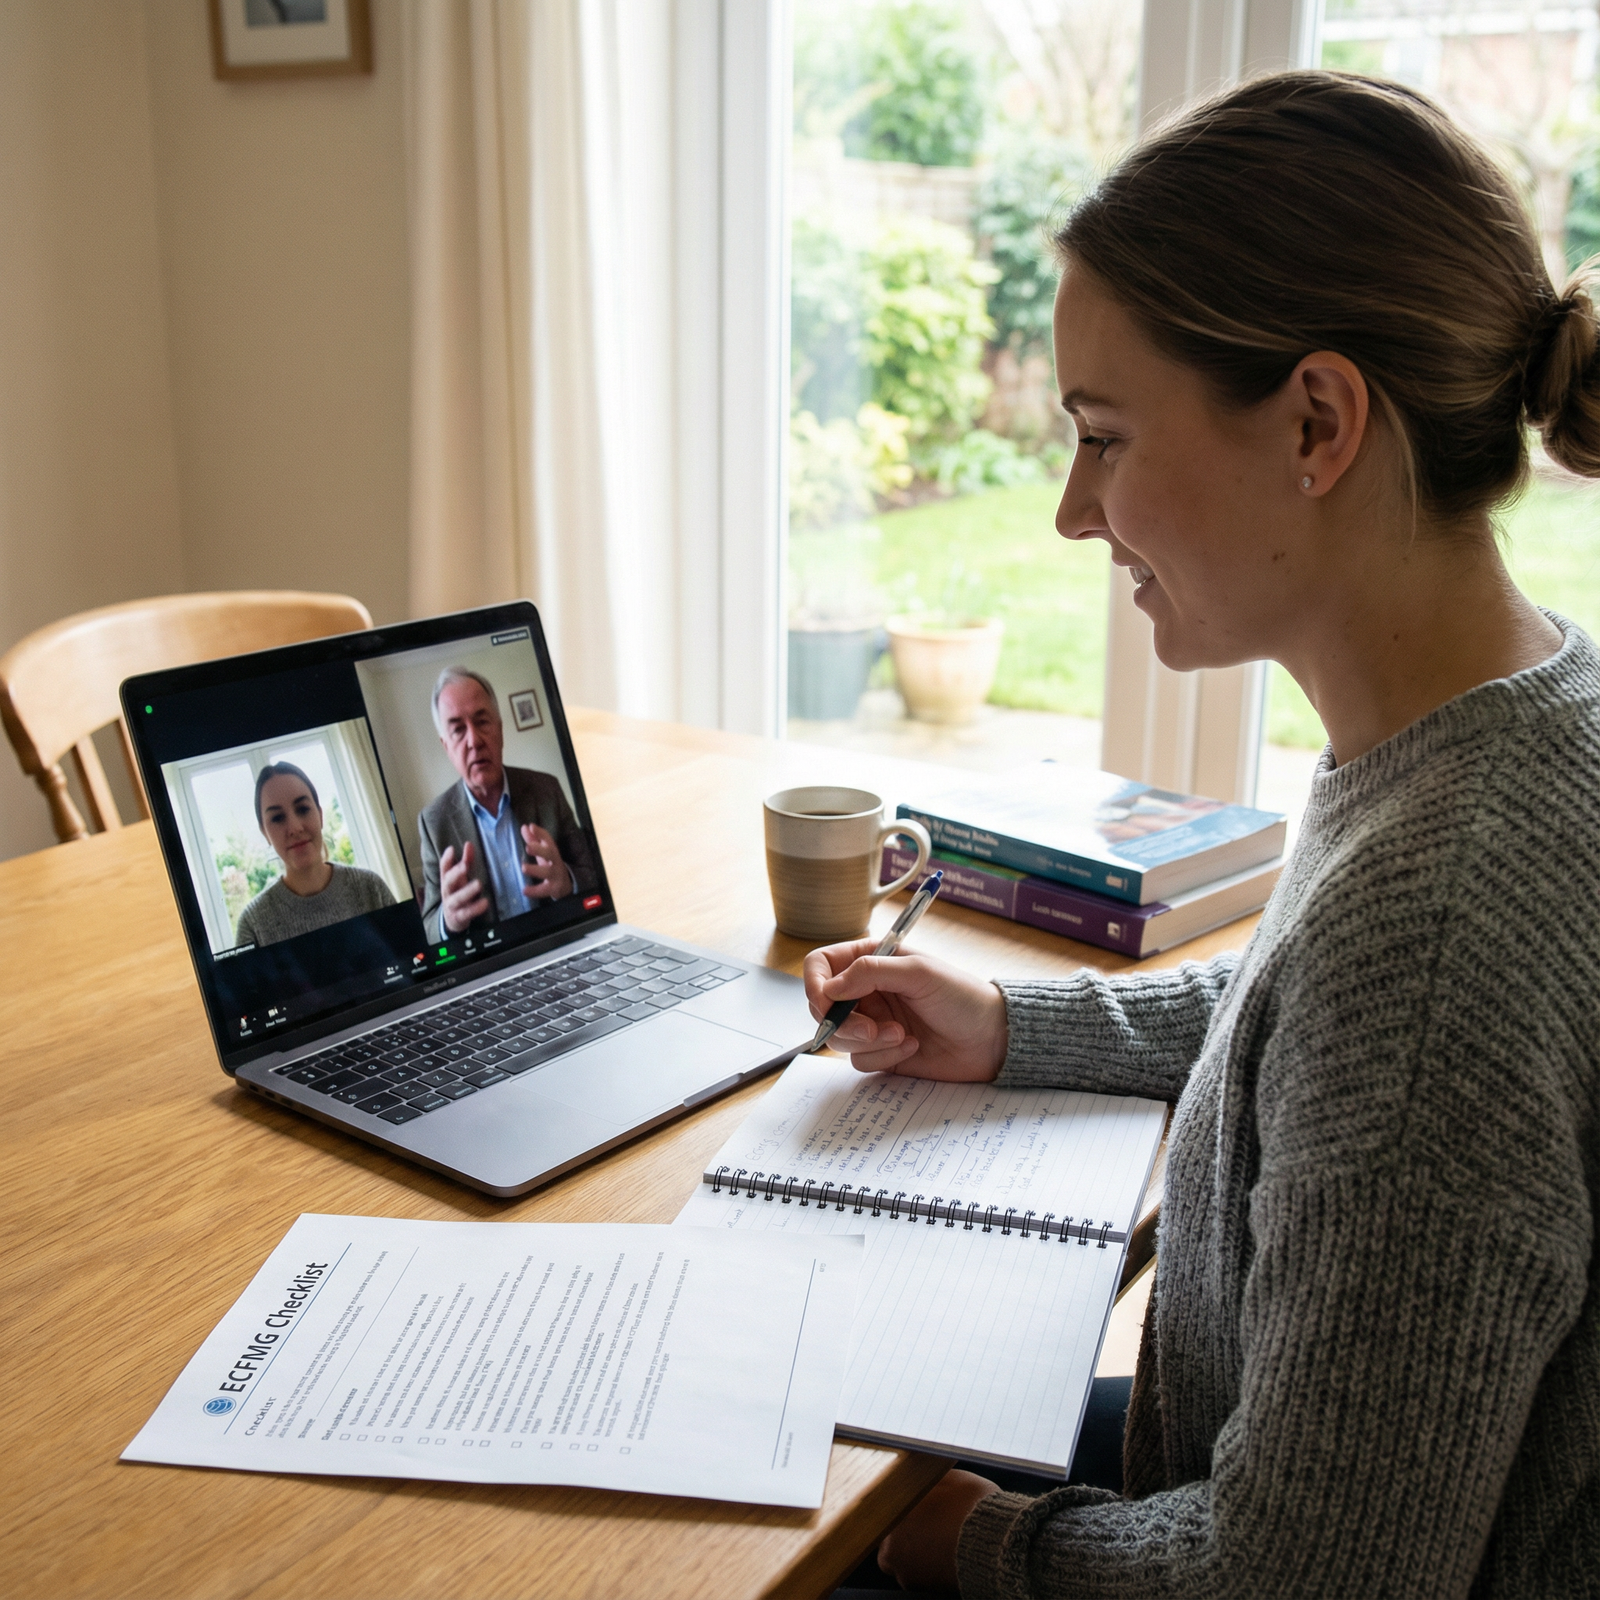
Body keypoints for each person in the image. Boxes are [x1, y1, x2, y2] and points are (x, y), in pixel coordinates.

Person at [813, 72, 1597, 1598]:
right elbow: (1293, 1030)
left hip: (1268, 1541)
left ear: (1317, 421)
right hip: (1258, 1454)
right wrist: (1012, 1026)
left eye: (1104, 436)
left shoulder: (1434, 931)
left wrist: (943, 1535)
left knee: (776, 1527)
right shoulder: (1514, 707)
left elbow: (1297, 1581)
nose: (1068, 513)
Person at [418, 666, 597, 943]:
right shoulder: (433, 823)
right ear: (446, 746)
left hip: (557, 943)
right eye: (457, 730)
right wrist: (449, 920)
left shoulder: (547, 789)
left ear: (500, 729)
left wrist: (568, 881)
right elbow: (430, 925)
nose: (474, 740)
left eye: (482, 722)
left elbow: (593, 875)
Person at [234, 762, 396, 948]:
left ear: (320, 815)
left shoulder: (371, 888)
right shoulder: (252, 925)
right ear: (265, 833)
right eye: (277, 818)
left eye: (302, 809)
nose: (295, 828)